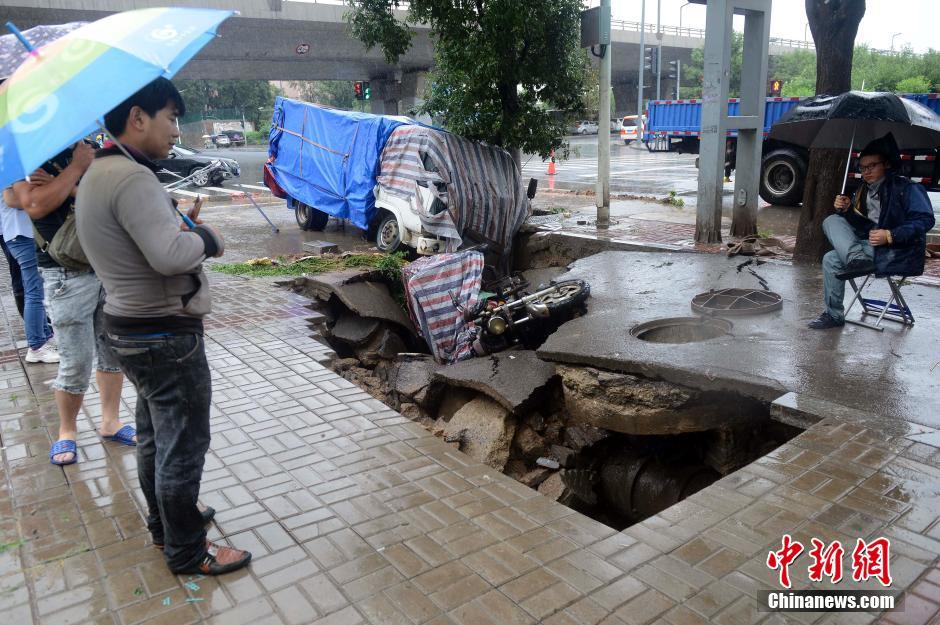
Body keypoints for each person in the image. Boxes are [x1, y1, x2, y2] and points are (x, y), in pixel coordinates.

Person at [75, 78, 250, 576]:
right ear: (137, 118)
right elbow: (169, 257)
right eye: (171, 117)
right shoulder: (132, 179)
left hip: (131, 329)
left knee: (156, 436)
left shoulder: (100, 174)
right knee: (185, 444)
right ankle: (187, 550)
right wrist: (209, 238)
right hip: (164, 337)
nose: (176, 130)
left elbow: (139, 245)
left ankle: (166, 524)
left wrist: (174, 225)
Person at [11, 145, 132, 465]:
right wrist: (76, 169)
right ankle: (67, 432)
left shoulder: (88, 149)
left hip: (106, 263)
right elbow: (32, 204)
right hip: (64, 272)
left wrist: (61, 183)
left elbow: (108, 200)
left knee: (112, 351)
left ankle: (111, 421)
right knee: (75, 358)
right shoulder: (22, 157)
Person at [808, 135, 935, 329]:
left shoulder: (908, 188)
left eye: (872, 166)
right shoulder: (862, 191)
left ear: (886, 164)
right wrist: (847, 210)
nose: (866, 172)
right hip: (867, 248)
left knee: (833, 258)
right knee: (831, 223)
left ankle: (857, 260)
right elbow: (863, 226)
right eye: (862, 167)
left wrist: (890, 235)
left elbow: (925, 220)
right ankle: (834, 315)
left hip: (898, 250)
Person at [1, 185, 59, 363]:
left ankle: (44, 336)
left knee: (34, 288)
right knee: (34, 290)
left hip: (20, 232)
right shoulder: (9, 169)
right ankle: (36, 345)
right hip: (20, 233)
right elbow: (15, 201)